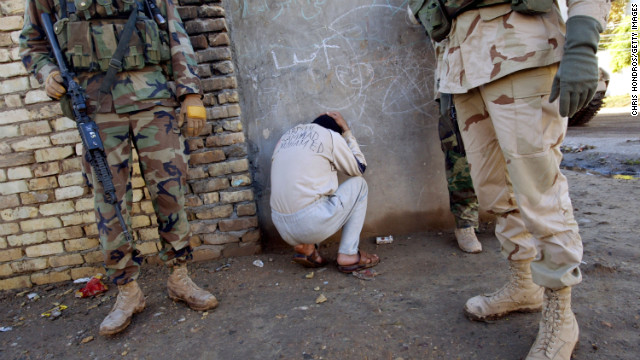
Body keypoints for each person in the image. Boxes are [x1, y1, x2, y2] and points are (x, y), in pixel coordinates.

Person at [409, 0, 610, 358]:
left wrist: (582, 44)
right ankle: (524, 284)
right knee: (494, 191)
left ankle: (560, 314)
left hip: (522, 50)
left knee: (539, 192)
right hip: (462, 65)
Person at [20, 0, 218, 336]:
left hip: (154, 101)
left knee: (171, 191)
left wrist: (190, 93)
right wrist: (46, 72)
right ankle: (128, 292)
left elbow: (174, 32)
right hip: (96, 108)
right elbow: (33, 41)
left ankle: (180, 278)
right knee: (110, 203)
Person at [270, 112, 380, 273]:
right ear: (337, 131)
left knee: (310, 191)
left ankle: (307, 248)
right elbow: (359, 167)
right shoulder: (330, 136)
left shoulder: (284, 139)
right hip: (309, 222)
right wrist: (347, 132)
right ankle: (348, 255)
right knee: (359, 185)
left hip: (281, 227)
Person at [438, 93, 482, 253]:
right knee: (458, 157)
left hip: (497, 79)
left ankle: (511, 218)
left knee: (506, 153)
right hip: (455, 83)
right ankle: (465, 224)